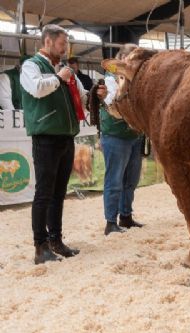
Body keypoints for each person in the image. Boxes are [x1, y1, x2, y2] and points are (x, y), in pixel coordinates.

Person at [20, 24, 88, 264]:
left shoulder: (63, 68)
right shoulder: (30, 66)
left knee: (59, 193)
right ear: (47, 41)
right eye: (62, 44)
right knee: (44, 193)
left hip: (66, 136)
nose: (65, 49)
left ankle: (56, 240)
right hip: (46, 136)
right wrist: (59, 77)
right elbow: (37, 89)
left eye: (66, 45)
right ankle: (40, 247)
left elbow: (81, 96)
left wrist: (91, 93)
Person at [96, 43, 144, 236]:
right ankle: (110, 222)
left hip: (133, 135)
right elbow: (113, 106)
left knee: (130, 180)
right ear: (123, 59)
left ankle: (126, 216)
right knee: (114, 181)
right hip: (115, 135)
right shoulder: (110, 80)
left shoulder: (135, 81)